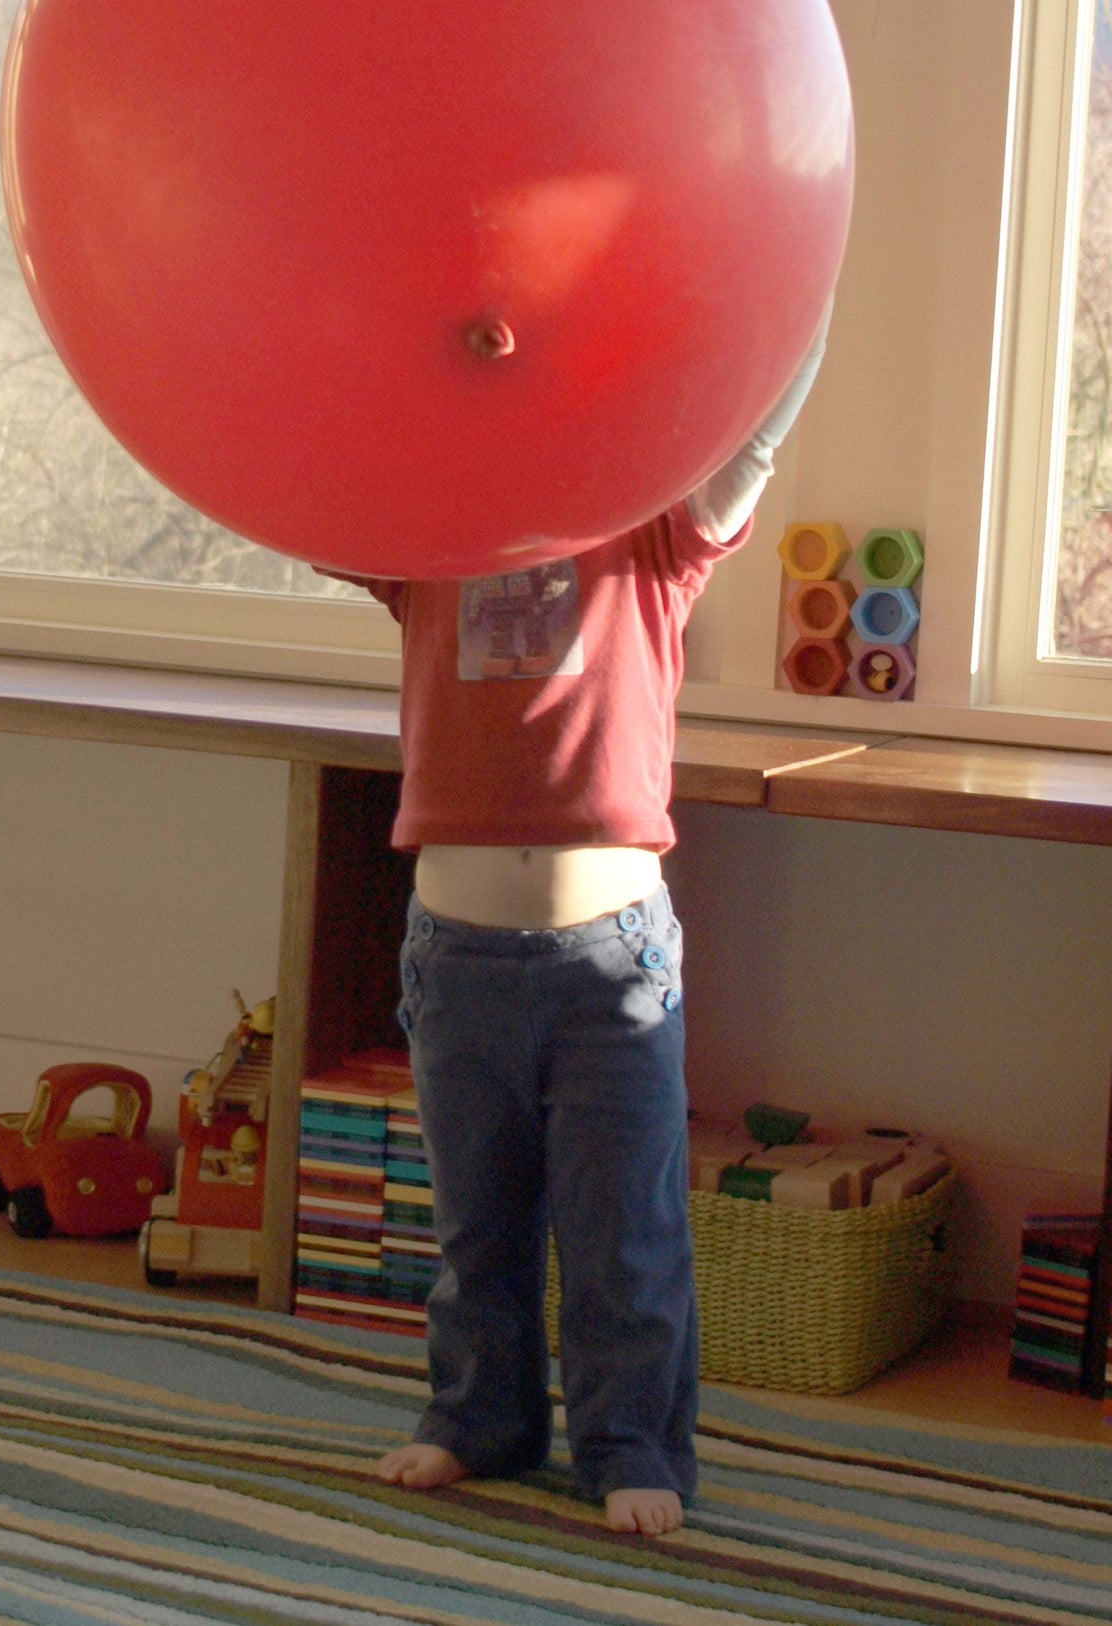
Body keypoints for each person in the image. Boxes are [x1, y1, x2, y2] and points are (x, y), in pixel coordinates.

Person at [339, 312, 828, 1537]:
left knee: (626, 1234)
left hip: (612, 967)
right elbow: (303, 474)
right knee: (475, 1227)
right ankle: (475, 1419)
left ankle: (630, 1442)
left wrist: (795, 286)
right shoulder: (424, 536)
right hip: (454, 961)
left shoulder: (652, 530)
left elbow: (763, 416)